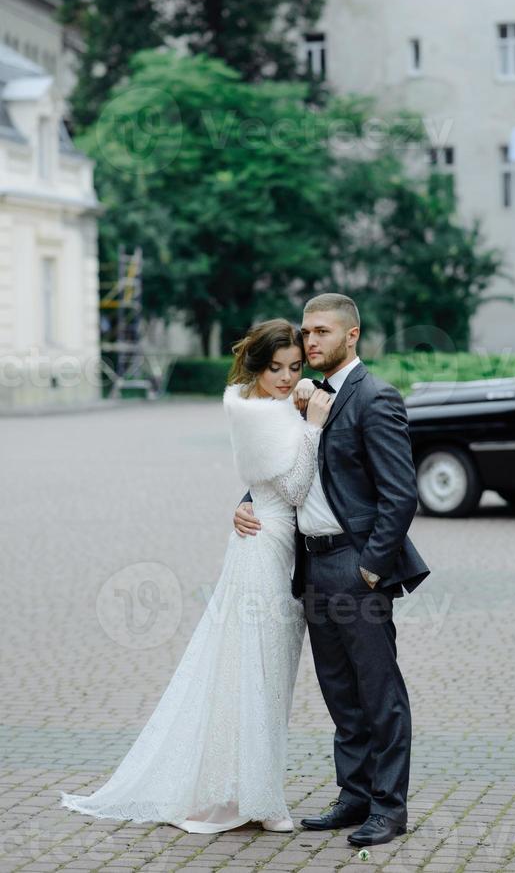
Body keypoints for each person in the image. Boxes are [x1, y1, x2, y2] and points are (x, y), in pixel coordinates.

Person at [58, 319, 333, 834]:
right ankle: (251, 798)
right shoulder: (258, 414)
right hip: (263, 553)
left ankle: (257, 791)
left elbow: (265, 484)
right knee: (255, 672)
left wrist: (296, 411)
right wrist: (313, 426)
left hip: (268, 543)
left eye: (295, 367)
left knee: (269, 673)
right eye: (275, 367)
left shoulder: (271, 407)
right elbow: (295, 488)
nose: (286, 376)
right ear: (256, 365)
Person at [234, 294, 430, 847]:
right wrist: (246, 500)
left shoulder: (376, 398)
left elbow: (400, 496)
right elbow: (283, 467)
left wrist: (370, 569)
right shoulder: (306, 398)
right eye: (306, 331)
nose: (310, 341)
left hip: (355, 565)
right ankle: (354, 796)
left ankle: (389, 809)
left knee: (379, 691)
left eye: (321, 331)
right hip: (312, 563)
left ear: (352, 336)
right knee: (340, 692)